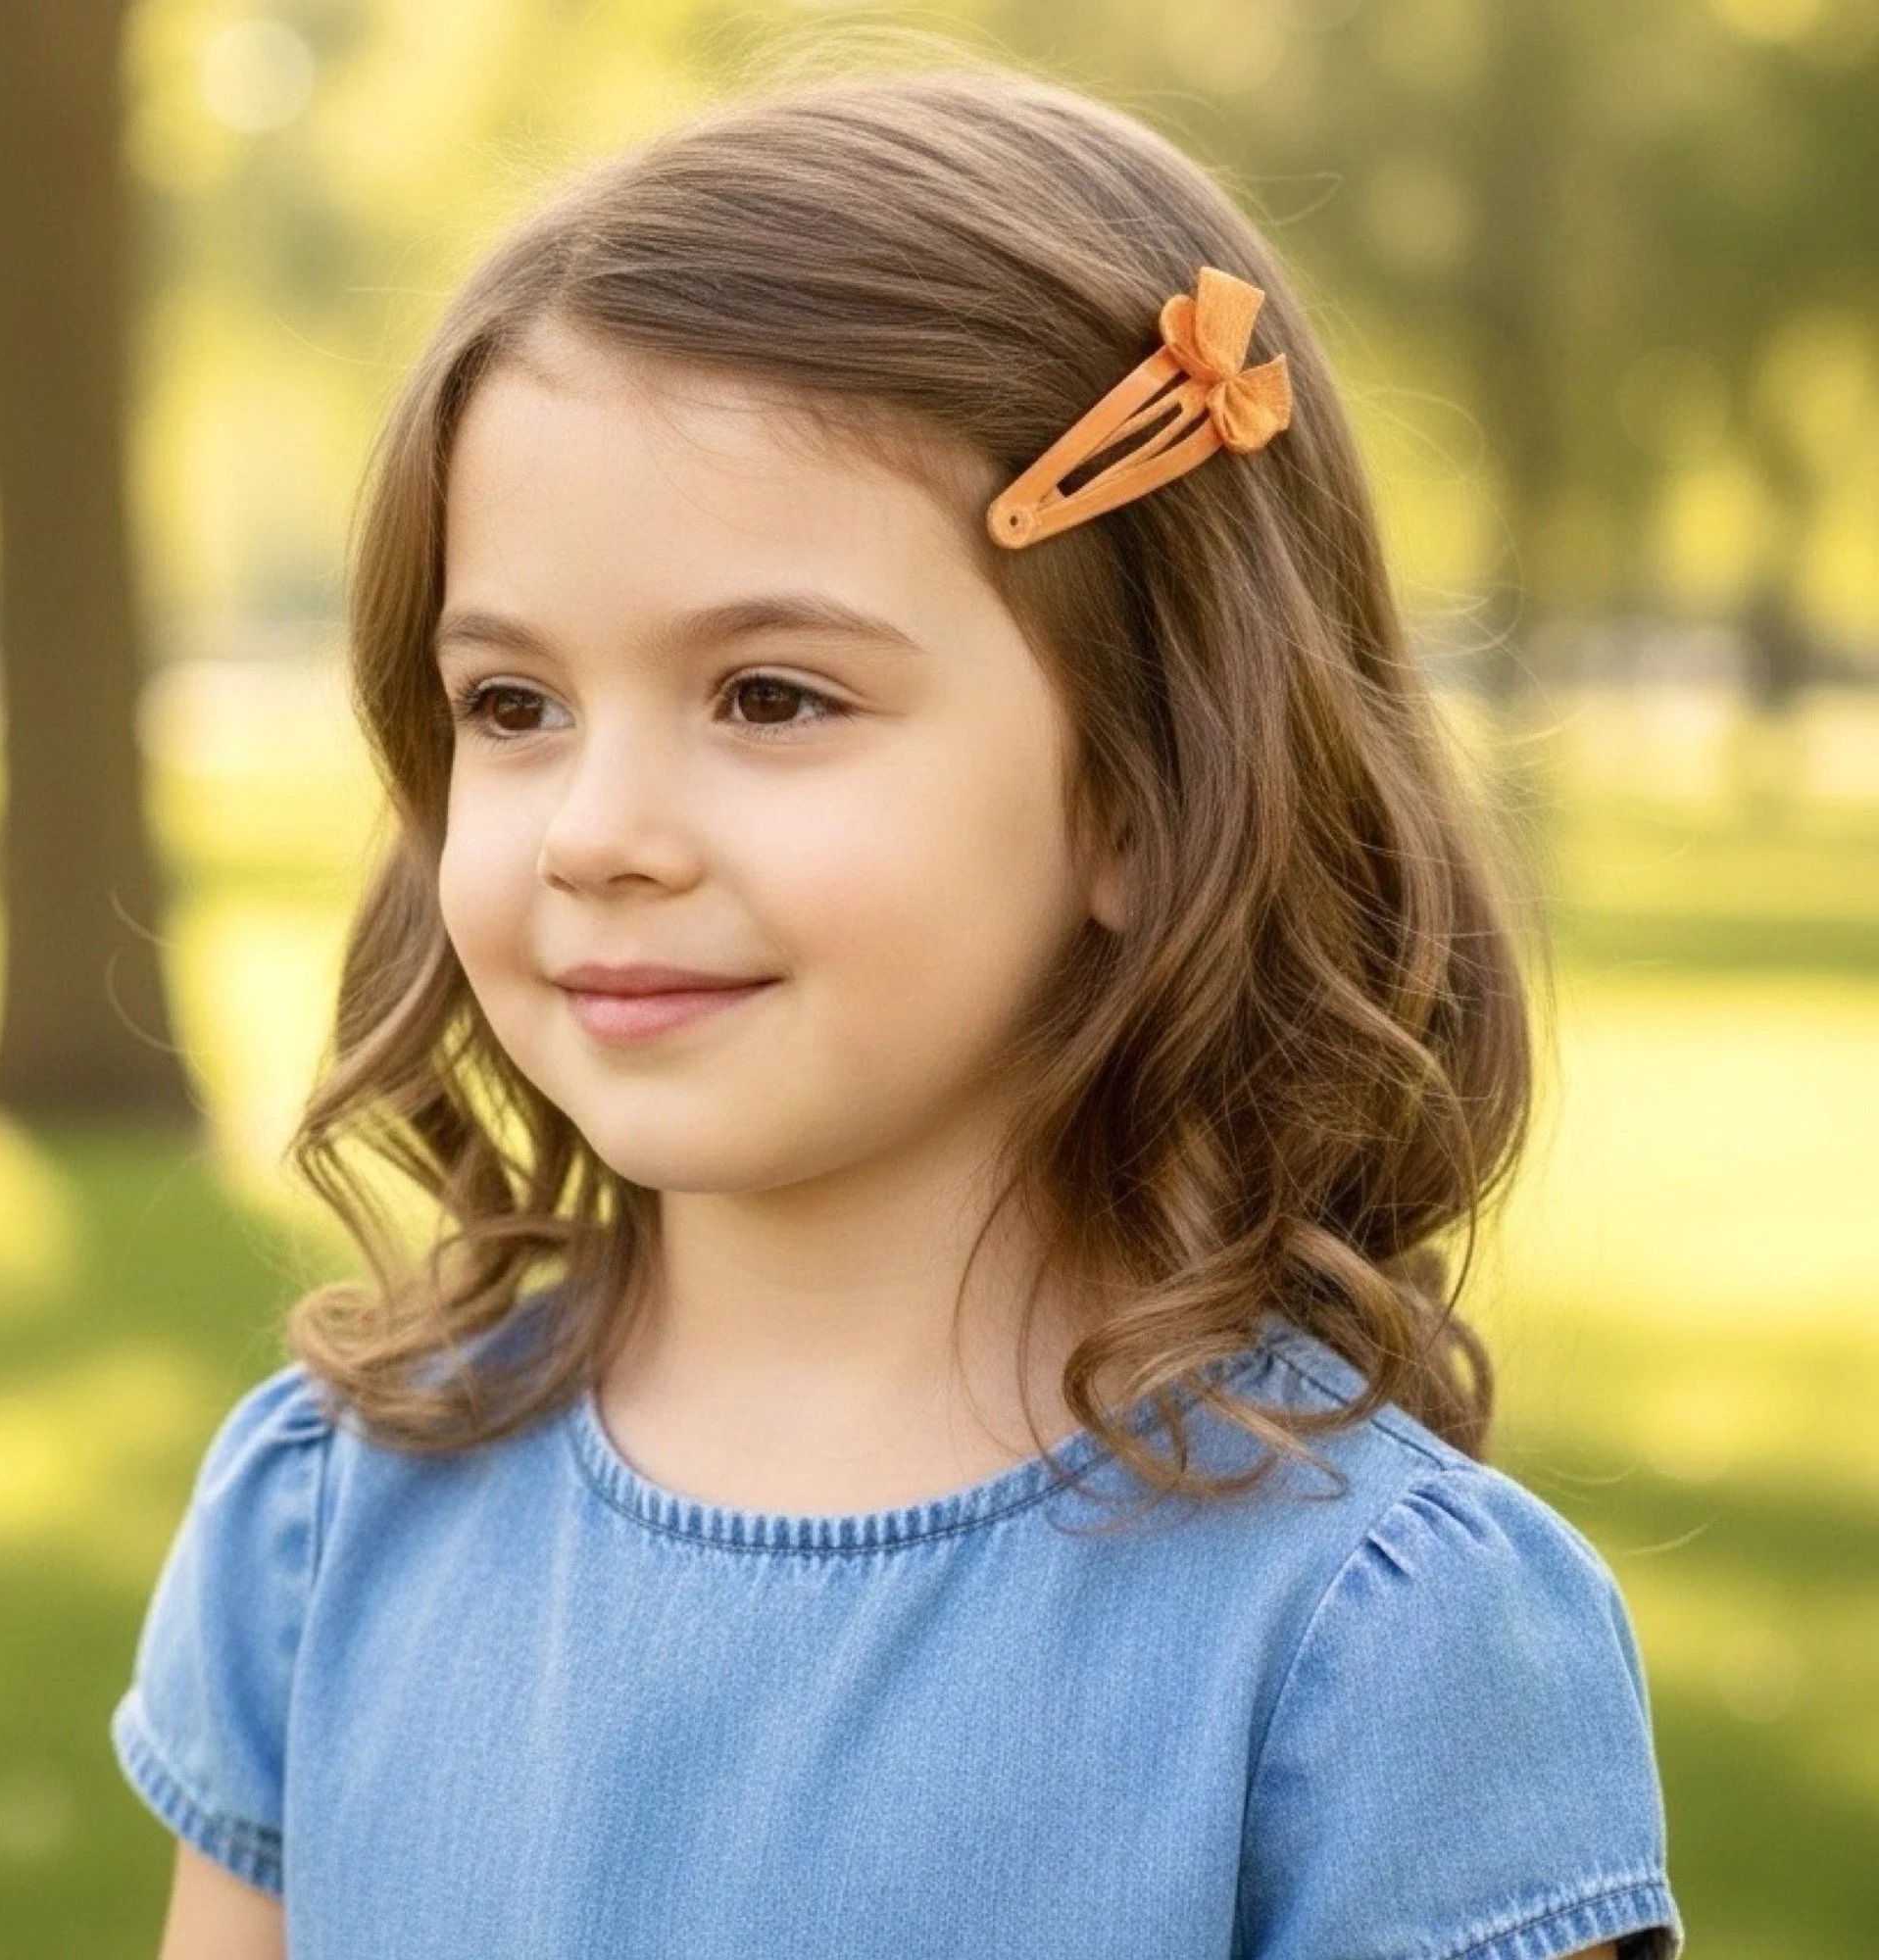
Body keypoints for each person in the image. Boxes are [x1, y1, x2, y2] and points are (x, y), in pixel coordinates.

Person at [109, 56, 1687, 1960]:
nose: (598, 830)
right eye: (513, 707)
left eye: (771, 695)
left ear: (1142, 779)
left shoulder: (1371, 1637)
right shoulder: (323, 1526)